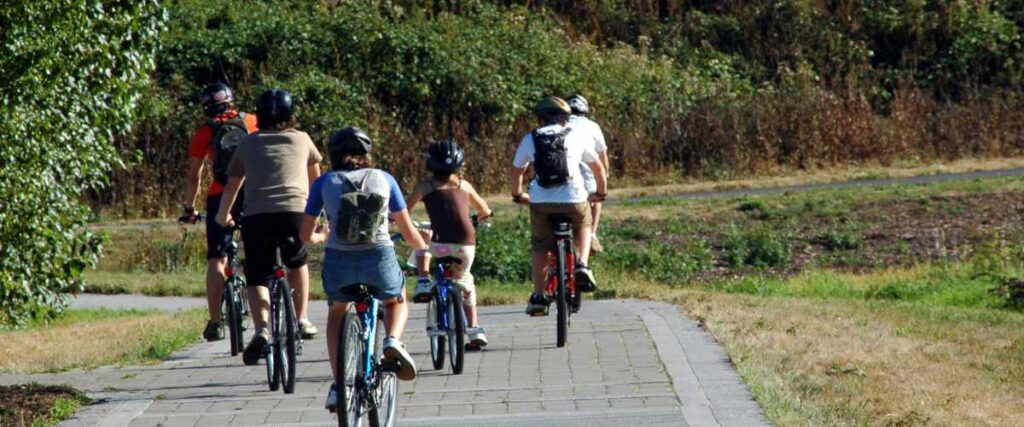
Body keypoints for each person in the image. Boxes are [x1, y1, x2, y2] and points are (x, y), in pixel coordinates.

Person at [300, 127, 428, 411]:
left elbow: (306, 234)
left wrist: (321, 236)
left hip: (339, 261)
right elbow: (407, 231)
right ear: (367, 154)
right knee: (396, 300)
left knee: (336, 313)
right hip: (378, 258)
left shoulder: (323, 182)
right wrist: (423, 247)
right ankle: (393, 340)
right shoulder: (385, 179)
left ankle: (339, 384)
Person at [215, 88, 321, 365]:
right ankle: (302, 319)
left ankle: (262, 329)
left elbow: (232, 186)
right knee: (297, 262)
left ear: (258, 117)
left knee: (257, 275)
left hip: (257, 216)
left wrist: (223, 216)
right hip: (294, 213)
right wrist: (318, 217)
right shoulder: (303, 140)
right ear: (291, 115)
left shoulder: (248, 144)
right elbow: (316, 183)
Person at [508, 96, 607, 316]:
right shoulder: (577, 135)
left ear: (540, 118)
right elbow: (598, 167)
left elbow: (516, 171)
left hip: (541, 202)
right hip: (573, 199)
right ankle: (581, 264)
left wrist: (517, 195)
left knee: (540, 245)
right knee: (583, 223)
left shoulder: (531, 138)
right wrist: (601, 192)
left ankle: (539, 296)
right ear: (565, 117)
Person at [181, 83, 259, 342]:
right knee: (258, 256)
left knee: (217, 258)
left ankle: (215, 321)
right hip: (252, 194)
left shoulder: (206, 130)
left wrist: (189, 209)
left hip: (220, 195)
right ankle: (263, 318)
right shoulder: (251, 121)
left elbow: (194, 175)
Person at [405, 139, 493, 347]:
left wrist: (400, 221)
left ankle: (423, 280)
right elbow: (485, 210)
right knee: (466, 283)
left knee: (422, 240)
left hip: (440, 244)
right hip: (465, 245)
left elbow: (404, 209)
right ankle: (474, 330)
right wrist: (476, 219)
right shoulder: (465, 185)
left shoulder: (425, 186)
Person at [566, 94, 609, 254]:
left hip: (563, 181)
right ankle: (592, 234)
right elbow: (602, 155)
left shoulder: (560, 125)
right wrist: (605, 175)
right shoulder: (593, 126)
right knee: (598, 196)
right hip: (588, 182)